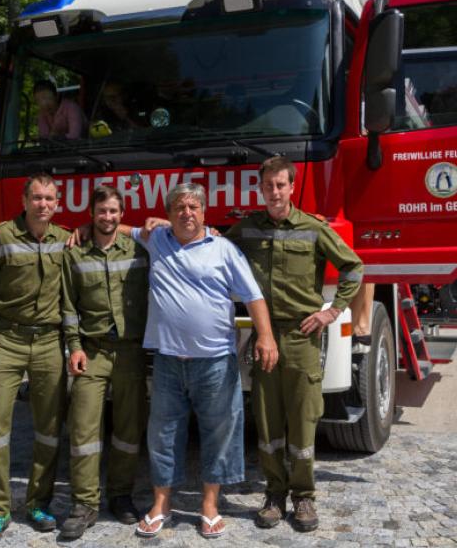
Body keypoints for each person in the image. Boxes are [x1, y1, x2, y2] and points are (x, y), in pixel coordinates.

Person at [130, 183, 277, 539]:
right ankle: (161, 503)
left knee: (219, 433)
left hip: (214, 361)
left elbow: (253, 295)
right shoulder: (157, 240)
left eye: (193, 206)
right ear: (169, 213)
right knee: (163, 435)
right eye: (179, 207)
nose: (187, 213)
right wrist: (89, 227)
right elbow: (118, 228)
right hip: (167, 361)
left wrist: (267, 336)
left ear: (204, 212)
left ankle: (209, 505)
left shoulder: (223, 249)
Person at [226, 156, 363, 533]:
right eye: (268, 185)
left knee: (303, 420)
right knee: (267, 419)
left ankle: (304, 496)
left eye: (280, 185)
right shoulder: (248, 229)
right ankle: (274, 495)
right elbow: (217, 251)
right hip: (265, 335)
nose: (274, 192)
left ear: (291, 187)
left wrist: (331, 312)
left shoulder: (313, 229)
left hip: (303, 337)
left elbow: (353, 266)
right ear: (262, 188)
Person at [0, 173, 70, 546]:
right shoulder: (0, 237)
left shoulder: (65, 239)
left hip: (48, 343)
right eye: (37, 198)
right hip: (7, 341)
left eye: (50, 199)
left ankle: (38, 503)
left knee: (49, 427)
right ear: (25, 201)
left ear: (58, 203)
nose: (44, 204)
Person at [60, 186, 150, 540]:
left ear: (121, 214)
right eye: (102, 212)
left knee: (128, 431)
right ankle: (84, 504)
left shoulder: (140, 248)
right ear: (92, 214)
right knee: (83, 431)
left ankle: (120, 495)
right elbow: (67, 306)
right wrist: (74, 346)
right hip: (91, 351)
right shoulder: (75, 253)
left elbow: (175, 236)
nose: (108, 218)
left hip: (130, 351)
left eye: (114, 212)